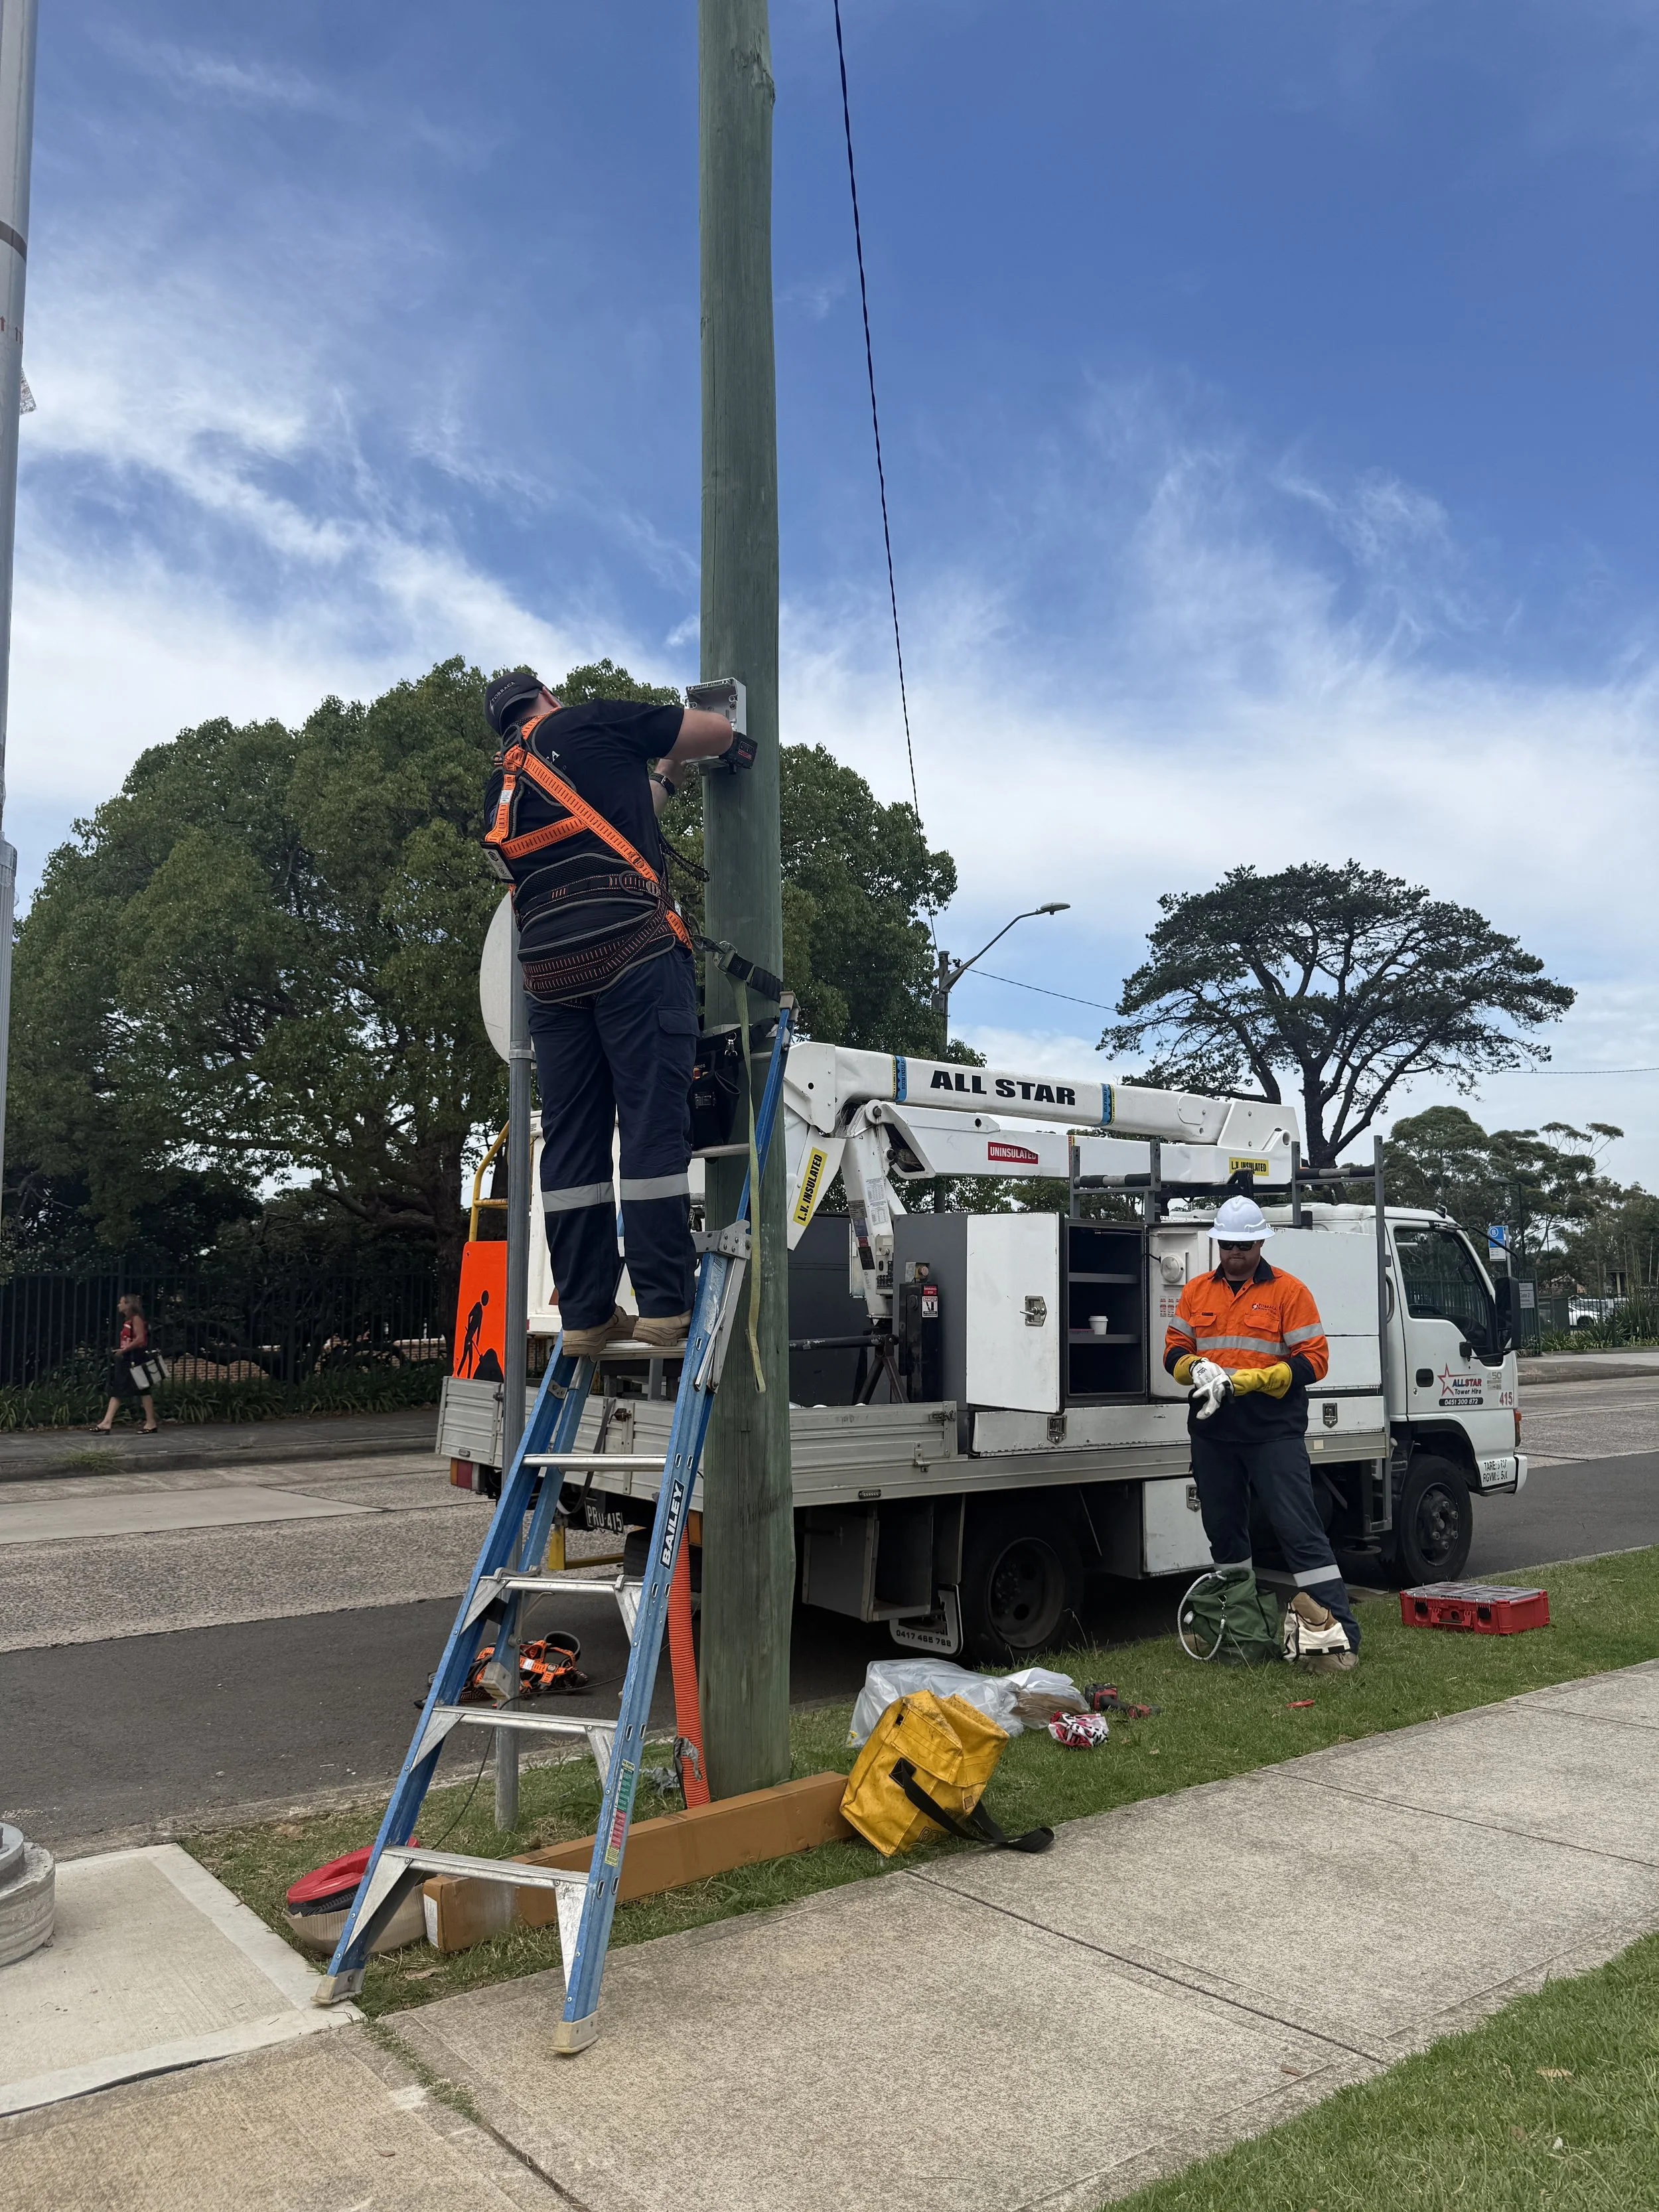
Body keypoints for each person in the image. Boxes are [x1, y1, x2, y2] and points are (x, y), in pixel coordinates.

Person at [480, 670, 739, 1358]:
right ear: (547, 695)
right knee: (652, 1120)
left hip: (549, 978)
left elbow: (608, 829)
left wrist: (667, 777)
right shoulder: (590, 722)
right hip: (633, 954)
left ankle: (588, 1315)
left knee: (573, 1140)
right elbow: (718, 730)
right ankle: (662, 1305)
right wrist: (688, 740)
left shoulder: (501, 790)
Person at [1164, 1193, 1360, 1670]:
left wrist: (1258, 1378)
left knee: (1299, 1532)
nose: (1235, 1253)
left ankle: (1340, 1637)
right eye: (1228, 1244)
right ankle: (1238, 1632)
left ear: (1259, 1243)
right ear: (1218, 1243)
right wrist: (1195, 1367)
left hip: (1273, 1432)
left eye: (1245, 1245)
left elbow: (1315, 1359)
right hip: (1214, 1434)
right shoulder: (1196, 1292)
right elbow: (1173, 1350)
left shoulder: (1289, 1292)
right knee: (1224, 1536)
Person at [94, 1292, 160, 1434]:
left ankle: (149, 1422)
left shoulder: (136, 1319)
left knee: (131, 1389)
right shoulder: (128, 1321)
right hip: (130, 1357)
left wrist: (124, 1351)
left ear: (128, 1305)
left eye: (121, 1302)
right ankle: (148, 1422)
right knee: (136, 1390)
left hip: (134, 1358)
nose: (119, 1305)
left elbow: (141, 1340)